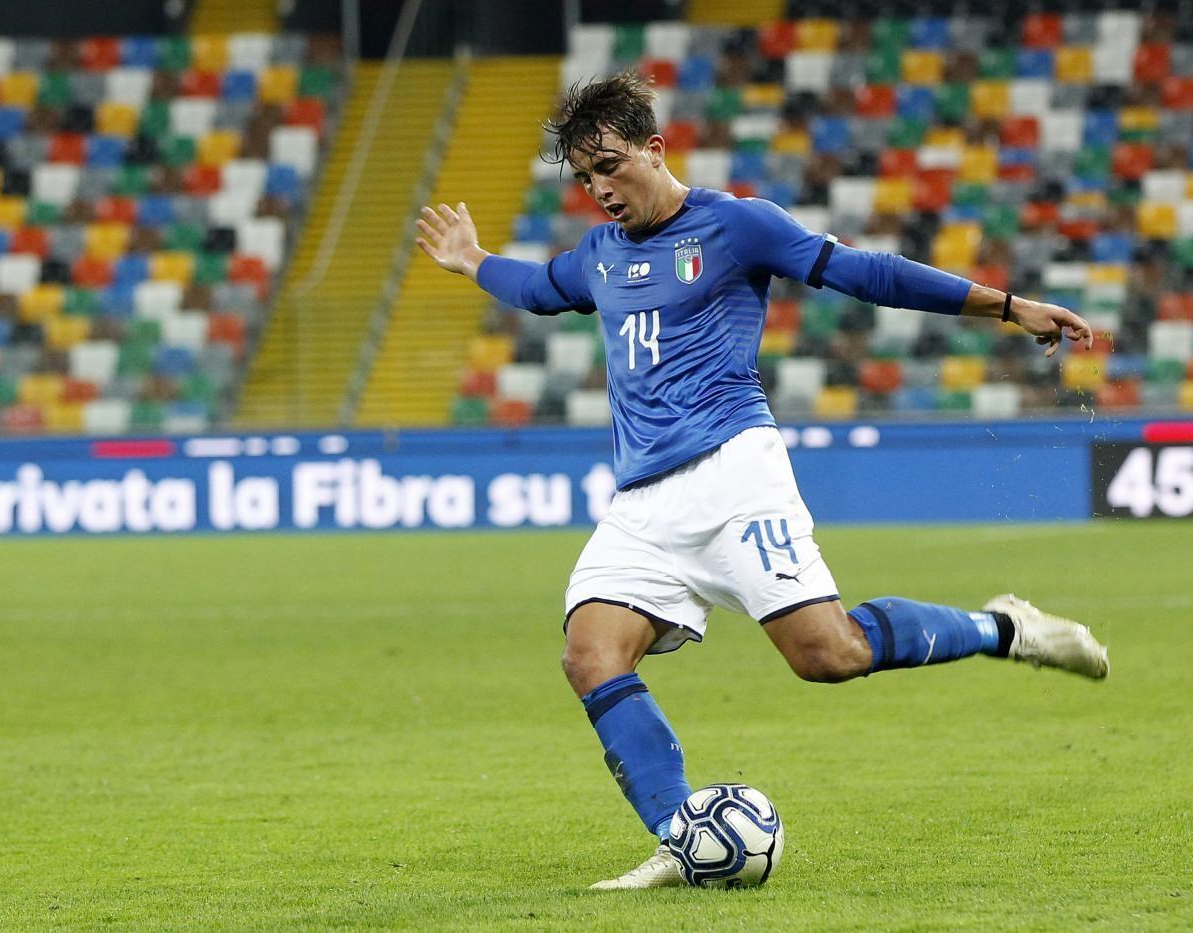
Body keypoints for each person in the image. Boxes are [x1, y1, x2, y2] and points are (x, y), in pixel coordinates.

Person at [415, 73, 1109, 890]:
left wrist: (1006, 305)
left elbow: (869, 273)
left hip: (735, 472)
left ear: (653, 148)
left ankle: (1004, 628)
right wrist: (474, 263)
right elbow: (537, 290)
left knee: (829, 655)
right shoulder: (598, 256)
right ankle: (685, 838)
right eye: (583, 175)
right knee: (590, 655)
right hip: (643, 501)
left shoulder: (737, 225)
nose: (600, 188)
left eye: (609, 165)